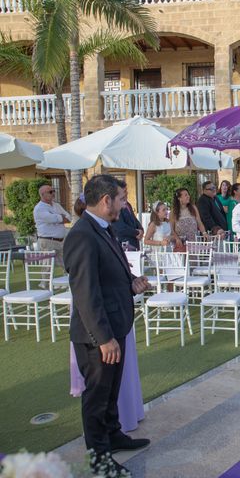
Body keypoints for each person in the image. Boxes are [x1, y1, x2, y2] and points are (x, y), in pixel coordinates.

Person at [64, 174, 151, 475]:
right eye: (121, 199)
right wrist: (103, 338)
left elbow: (108, 274)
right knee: (97, 397)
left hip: (116, 325)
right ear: (105, 201)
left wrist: (132, 283)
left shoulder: (104, 228)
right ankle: (99, 461)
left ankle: (113, 434)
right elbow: (86, 294)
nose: (124, 205)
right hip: (96, 336)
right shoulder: (82, 235)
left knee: (111, 390)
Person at [33, 183, 72, 267]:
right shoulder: (39, 208)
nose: (53, 193)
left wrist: (58, 218)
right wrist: (60, 217)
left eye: (53, 191)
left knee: (67, 266)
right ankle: (45, 281)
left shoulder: (56, 205)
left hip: (60, 241)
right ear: (43, 194)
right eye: (50, 192)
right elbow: (52, 219)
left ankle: (68, 280)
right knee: (47, 269)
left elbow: (68, 218)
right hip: (47, 241)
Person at [112, 184, 144, 251]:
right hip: (124, 243)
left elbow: (135, 220)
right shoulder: (117, 206)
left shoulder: (128, 204)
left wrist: (141, 230)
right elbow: (121, 227)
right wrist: (137, 232)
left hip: (134, 244)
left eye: (126, 191)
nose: (126, 193)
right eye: (124, 191)